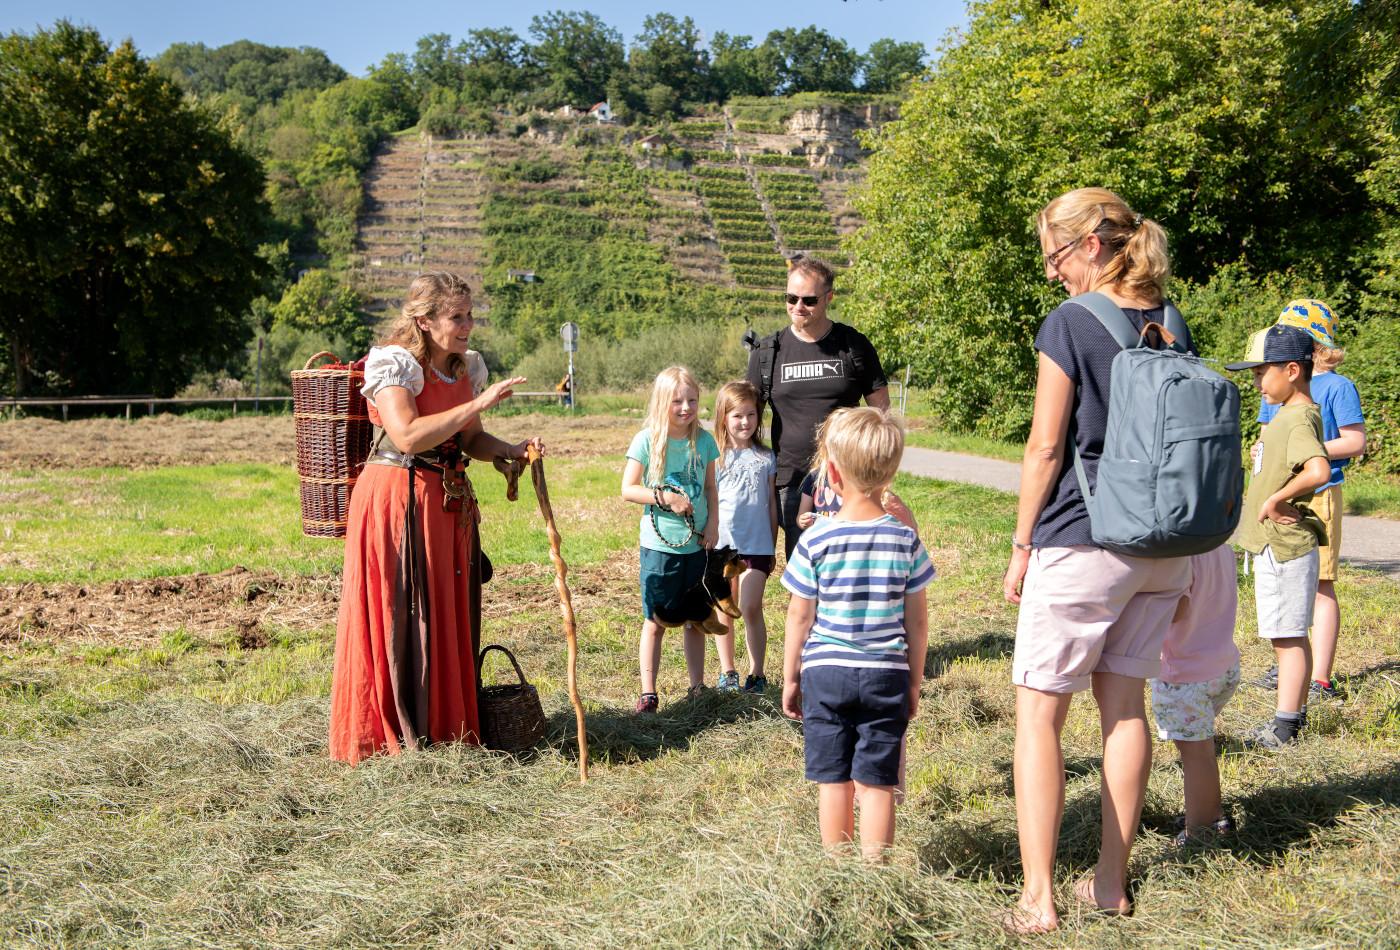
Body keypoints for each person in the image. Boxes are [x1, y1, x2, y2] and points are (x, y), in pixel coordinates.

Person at [1001, 188, 1193, 932]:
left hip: (1084, 540)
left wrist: (1022, 546)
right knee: (1124, 709)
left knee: (1039, 717)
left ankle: (1038, 897)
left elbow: (1046, 445)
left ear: (1089, 247)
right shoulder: (1169, 318)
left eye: (1054, 256)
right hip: (1161, 550)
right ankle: (1111, 885)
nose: (1051, 274)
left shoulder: (1073, 322)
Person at [329, 272, 541, 764]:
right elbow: (406, 435)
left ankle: (445, 732)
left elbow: (469, 440)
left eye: (470, 315)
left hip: (445, 503)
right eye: (456, 317)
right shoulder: (394, 363)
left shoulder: (464, 366)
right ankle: (389, 737)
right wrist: (479, 400)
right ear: (424, 322)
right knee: (402, 612)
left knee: (442, 611)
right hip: (396, 500)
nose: (468, 326)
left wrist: (509, 450)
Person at [780, 407, 933, 861]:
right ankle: (875, 874)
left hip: (826, 673)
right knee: (878, 780)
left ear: (830, 472)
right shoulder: (906, 540)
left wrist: (791, 678)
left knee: (834, 778)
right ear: (892, 472)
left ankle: (837, 869)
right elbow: (918, 623)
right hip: (886, 671)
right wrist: (914, 680)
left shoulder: (816, 540)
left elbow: (799, 618)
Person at [1225, 324, 1332, 749]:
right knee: (1284, 634)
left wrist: (1276, 500)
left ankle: (1285, 726)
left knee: (1288, 637)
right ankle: (1290, 716)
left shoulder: (1299, 415)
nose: (1255, 381)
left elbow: (1318, 470)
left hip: (1286, 547)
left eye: (1260, 372)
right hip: (1276, 548)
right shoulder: (1284, 417)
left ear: (1291, 370)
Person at [1253, 300, 1366, 700]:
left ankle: (1319, 676)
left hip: (1319, 493)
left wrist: (1310, 450)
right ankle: (1291, 661)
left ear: (1315, 345)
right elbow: (1268, 436)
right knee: (1287, 581)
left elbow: (1355, 441)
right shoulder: (1276, 384)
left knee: (1319, 583)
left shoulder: (1337, 386)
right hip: (1281, 494)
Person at [746, 256, 890, 559]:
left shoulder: (853, 345)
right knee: (804, 571)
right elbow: (745, 418)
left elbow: (881, 412)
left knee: (847, 565)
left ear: (828, 298)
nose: (798, 306)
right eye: (791, 298)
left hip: (846, 479)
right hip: (791, 482)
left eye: (809, 300)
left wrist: (877, 474)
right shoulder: (767, 352)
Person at [621, 366, 720, 713]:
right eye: (677, 401)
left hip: (698, 547)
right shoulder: (646, 440)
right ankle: (649, 692)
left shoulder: (705, 441)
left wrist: (714, 526)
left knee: (696, 620)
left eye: (692, 400)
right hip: (661, 550)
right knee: (657, 621)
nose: (686, 407)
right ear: (663, 402)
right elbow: (628, 489)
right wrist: (667, 499)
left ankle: (697, 687)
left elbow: (710, 487)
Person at [1149, 545, 1241, 845]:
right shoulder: (1220, 547)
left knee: (1196, 756)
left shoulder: (1177, 556)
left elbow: (1178, 609)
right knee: (1201, 749)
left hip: (1184, 677)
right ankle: (1207, 810)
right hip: (1222, 665)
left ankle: (1201, 828)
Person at [711, 381, 778, 694]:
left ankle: (757, 673)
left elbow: (771, 504)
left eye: (751, 415)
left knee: (750, 607)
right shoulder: (715, 457)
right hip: (724, 547)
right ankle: (728, 672)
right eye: (737, 415)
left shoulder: (766, 458)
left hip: (758, 546)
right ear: (724, 417)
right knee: (726, 607)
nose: (745, 422)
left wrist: (774, 544)